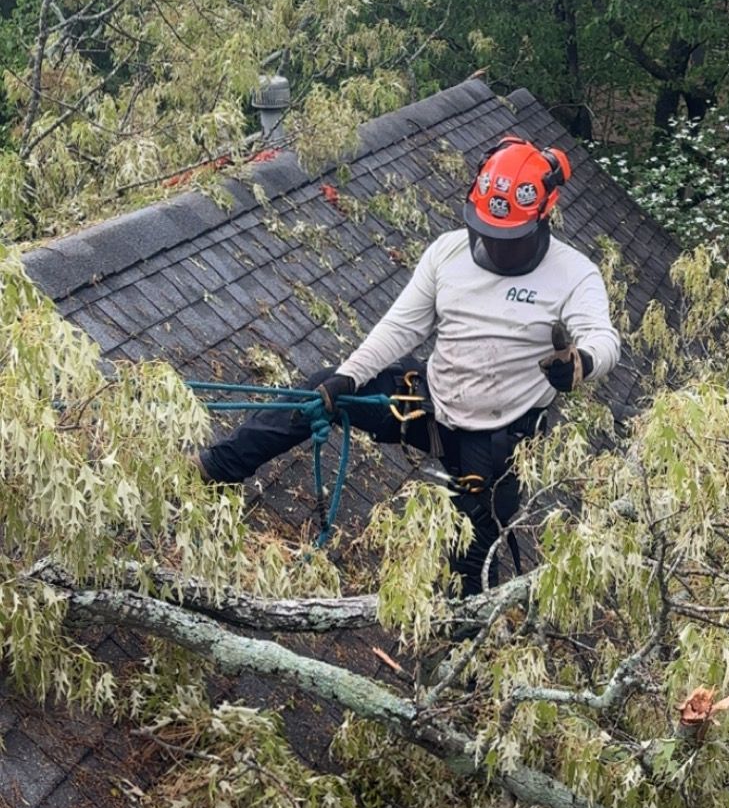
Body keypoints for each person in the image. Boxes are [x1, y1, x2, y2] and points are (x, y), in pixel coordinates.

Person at [198, 135, 621, 593]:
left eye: (509, 240)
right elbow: (401, 327)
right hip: (432, 401)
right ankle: (217, 467)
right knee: (315, 395)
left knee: (472, 557)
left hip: (500, 438)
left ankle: (463, 646)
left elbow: (604, 339)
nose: (495, 248)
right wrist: (347, 378)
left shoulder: (574, 274)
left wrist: (580, 362)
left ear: (542, 217)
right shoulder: (449, 252)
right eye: (487, 234)